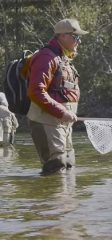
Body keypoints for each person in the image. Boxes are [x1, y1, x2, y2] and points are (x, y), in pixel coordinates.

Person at [27, 19, 88, 175]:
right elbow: (36, 91)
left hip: (63, 123)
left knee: (69, 164)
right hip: (46, 121)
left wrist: (65, 114)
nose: (79, 41)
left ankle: (67, 200)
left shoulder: (64, 58)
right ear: (62, 36)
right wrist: (62, 112)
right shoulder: (46, 57)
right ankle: (51, 199)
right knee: (56, 166)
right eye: (76, 37)